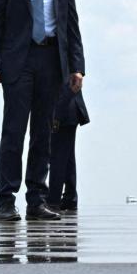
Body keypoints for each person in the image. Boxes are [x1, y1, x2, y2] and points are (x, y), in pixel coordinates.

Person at [0, 0, 85, 222]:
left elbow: (71, 25)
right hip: (18, 61)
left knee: (44, 134)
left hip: (52, 61)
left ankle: (37, 200)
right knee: (14, 131)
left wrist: (77, 67)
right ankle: (5, 200)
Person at [47, 82, 89, 213]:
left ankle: (53, 200)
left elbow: (64, 85)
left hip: (64, 110)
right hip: (70, 110)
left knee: (57, 157)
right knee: (67, 156)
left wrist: (56, 115)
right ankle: (70, 197)